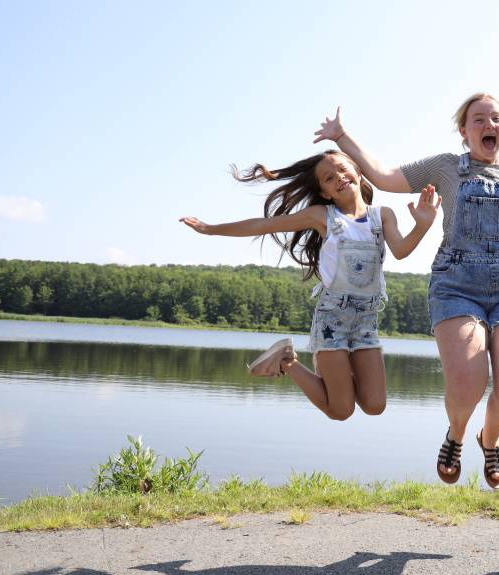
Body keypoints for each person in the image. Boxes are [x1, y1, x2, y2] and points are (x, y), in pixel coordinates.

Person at [313, 94, 499, 489]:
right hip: (457, 283)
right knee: (467, 385)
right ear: (464, 132)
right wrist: (342, 137)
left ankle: (490, 438)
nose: (488, 124)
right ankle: (457, 434)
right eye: (478, 119)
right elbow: (382, 175)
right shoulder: (445, 167)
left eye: (495, 118)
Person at [180, 150, 440, 421]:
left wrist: (422, 225)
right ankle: (287, 361)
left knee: (375, 405)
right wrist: (210, 229)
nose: (338, 177)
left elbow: (400, 250)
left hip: (366, 320)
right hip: (332, 319)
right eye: (329, 178)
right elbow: (263, 225)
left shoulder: (383, 216)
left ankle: (330, 371)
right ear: (325, 193)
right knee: (341, 410)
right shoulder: (322, 216)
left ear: (359, 172)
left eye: (342, 169)